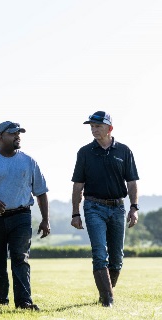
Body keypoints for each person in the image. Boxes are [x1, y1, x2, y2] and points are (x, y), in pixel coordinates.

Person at [0, 121, 50, 311]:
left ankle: (24, 303)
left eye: (19, 133)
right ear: (0, 137)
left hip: (21, 216)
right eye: (12, 133)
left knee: (20, 259)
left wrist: (46, 220)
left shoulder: (29, 161)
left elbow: (41, 192)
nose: (17, 136)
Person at [71, 111, 139, 307]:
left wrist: (133, 208)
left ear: (110, 128)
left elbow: (132, 182)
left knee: (117, 259)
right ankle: (108, 300)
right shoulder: (84, 152)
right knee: (100, 253)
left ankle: (105, 293)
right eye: (91, 126)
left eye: (97, 126)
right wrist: (76, 213)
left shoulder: (124, 151)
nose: (93, 130)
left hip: (118, 207)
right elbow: (78, 185)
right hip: (93, 207)